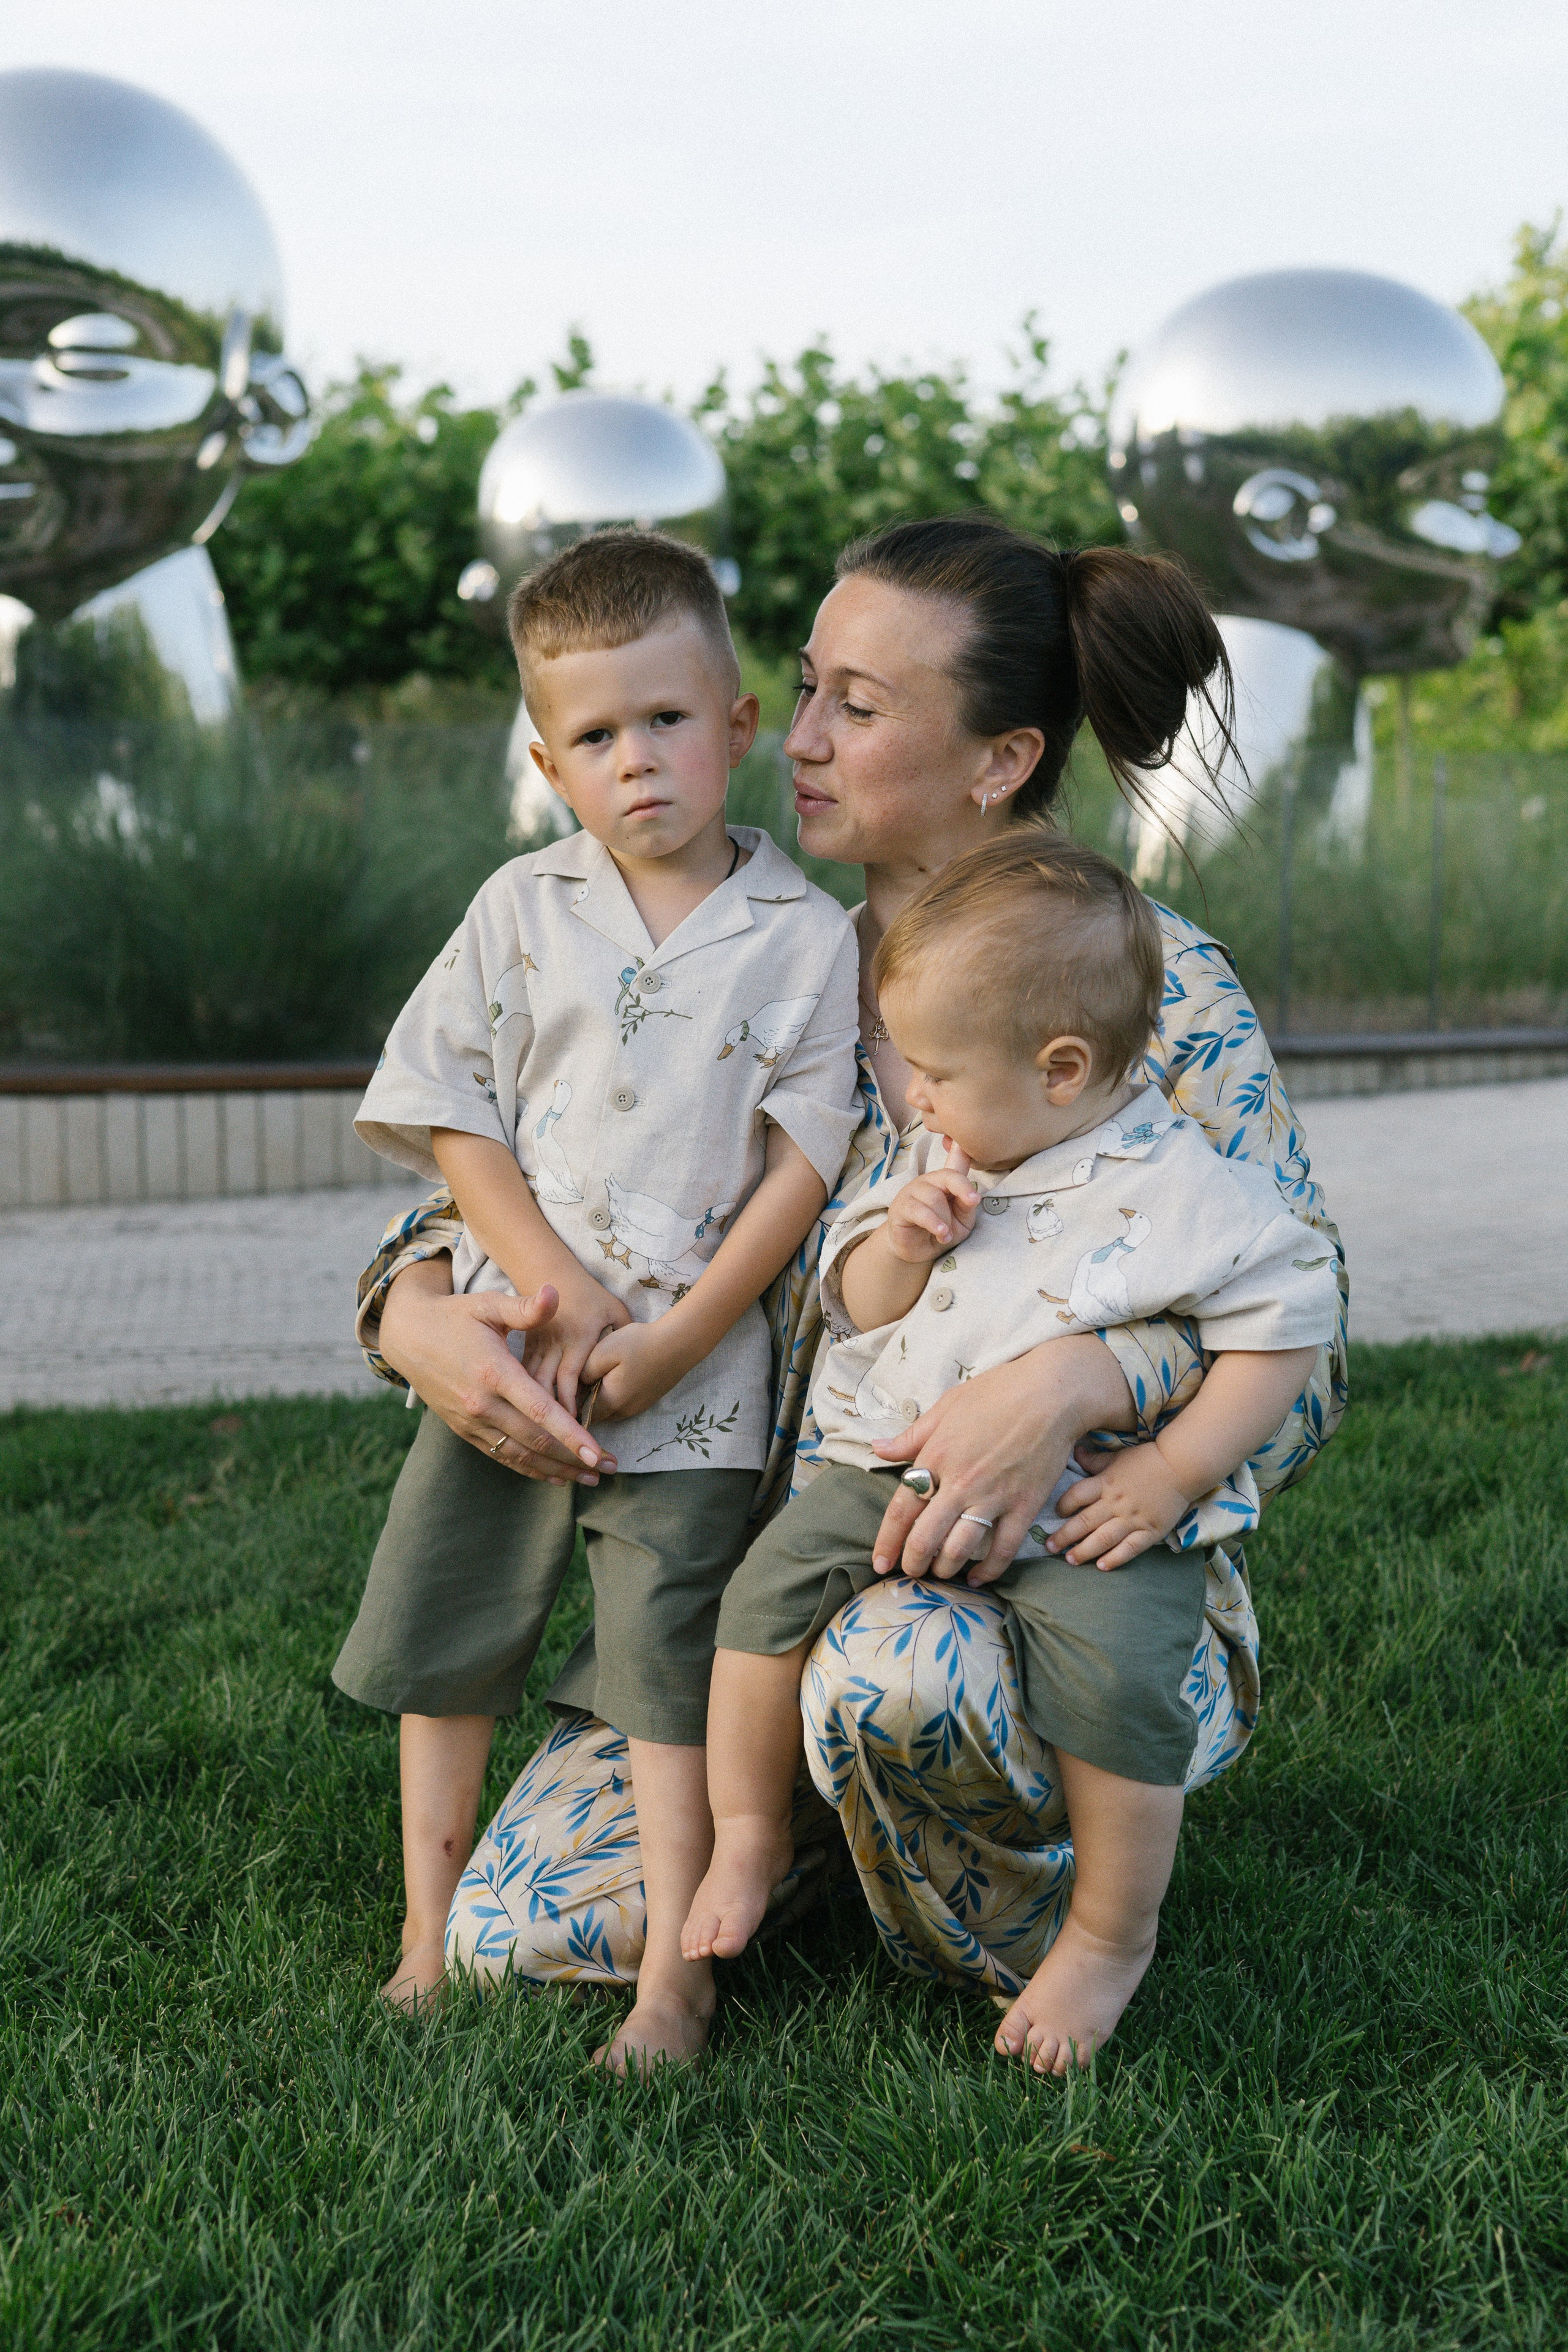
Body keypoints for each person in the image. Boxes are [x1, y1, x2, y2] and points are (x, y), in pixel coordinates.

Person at [355, 516, 1349, 2075]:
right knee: (515, 1938)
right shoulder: (756, 939)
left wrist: (1085, 1385)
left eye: (856, 709)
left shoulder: (1154, 984)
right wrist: (408, 1303)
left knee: (902, 1677)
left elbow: (1306, 1343)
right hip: (733, 1588)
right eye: (804, 688)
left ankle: (1050, 1910)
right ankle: (805, 1835)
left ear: (1000, 757)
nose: (795, 739)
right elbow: (563, 1163)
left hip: (1027, 1582)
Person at [682, 831, 1337, 2068]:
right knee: (763, 1594)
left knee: (1116, 1697)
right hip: (894, 1467)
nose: (912, 1098)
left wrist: (1173, 1470)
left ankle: (1106, 1933)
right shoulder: (946, 1155)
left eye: (932, 1073)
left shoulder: (1180, 1188)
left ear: (1060, 1068)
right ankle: (747, 1833)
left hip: (1093, 1507)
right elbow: (854, 1304)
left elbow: (1289, 1325)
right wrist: (900, 1244)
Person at [336, 530, 861, 2062]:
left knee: (665, 1677)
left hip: (689, 1390)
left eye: (667, 721)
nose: (636, 762)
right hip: (513, 1354)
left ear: (740, 722)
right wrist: (550, 1278)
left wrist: (689, 1332)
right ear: (546, 757)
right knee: (452, 1641)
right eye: (594, 736)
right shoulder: (522, 909)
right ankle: (423, 1938)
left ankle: (671, 1987)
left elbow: (802, 1166)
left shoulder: (801, 939)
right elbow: (455, 1110)